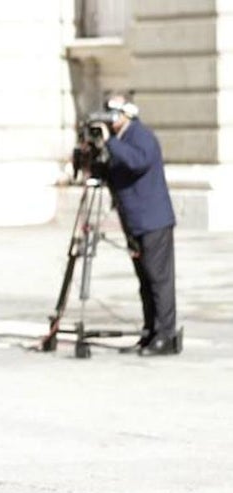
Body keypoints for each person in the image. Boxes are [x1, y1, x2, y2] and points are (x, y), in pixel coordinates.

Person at [91, 92, 180, 356]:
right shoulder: (119, 140)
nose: (110, 119)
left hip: (153, 221)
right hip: (134, 222)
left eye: (114, 113)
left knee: (158, 280)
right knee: (145, 281)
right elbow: (114, 173)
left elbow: (137, 162)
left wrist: (110, 143)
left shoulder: (141, 136)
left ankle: (166, 335)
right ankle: (150, 332)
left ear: (128, 114)